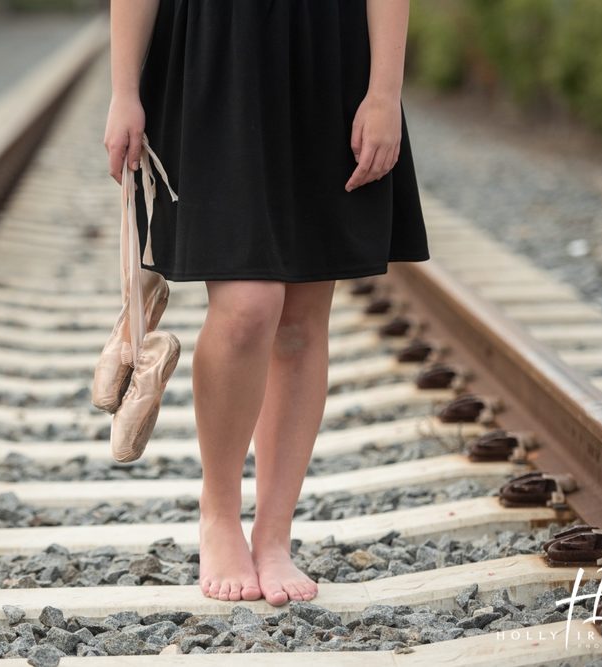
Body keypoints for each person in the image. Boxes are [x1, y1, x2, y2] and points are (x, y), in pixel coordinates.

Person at [103, 0, 429, 606]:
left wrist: (384, 91)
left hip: (326, 53)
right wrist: (124, 89)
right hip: (215, 53)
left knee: (301, 323)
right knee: (249, 306)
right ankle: (219, 514)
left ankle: (274, 535)